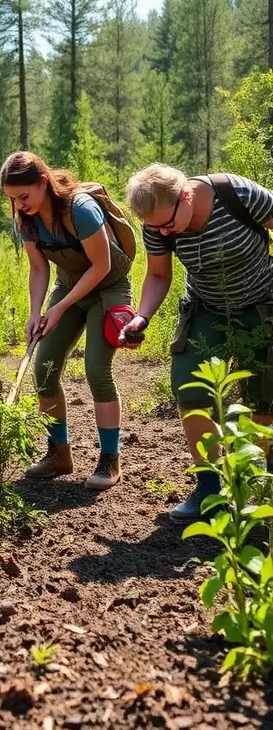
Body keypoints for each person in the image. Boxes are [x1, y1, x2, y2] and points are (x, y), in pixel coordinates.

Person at [121, 165, 273, 524]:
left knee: (263, 399)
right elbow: (158, 275)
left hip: (263, 307)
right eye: (155, 227)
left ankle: (262, 486)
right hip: (205, 310)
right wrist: (141, 317)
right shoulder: (157, 222)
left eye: (168, 224)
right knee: (190, 391)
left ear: (186, 196)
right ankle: (209, 490)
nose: (162, 232)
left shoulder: (237, 194)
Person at [0, 151, 135, 491]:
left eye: (24, 196)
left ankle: (109, 460)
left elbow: (101, 266)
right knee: (43, 367)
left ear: (43, 181)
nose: (19, 205)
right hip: (70, 286)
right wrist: (36, 313)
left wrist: (58, 309)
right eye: (12, 200)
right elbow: (39, 267)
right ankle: (58, 454)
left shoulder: (81, 210)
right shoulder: (26, 219)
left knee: (96, 369)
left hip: (107, 288)